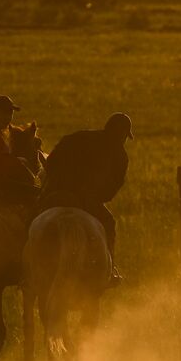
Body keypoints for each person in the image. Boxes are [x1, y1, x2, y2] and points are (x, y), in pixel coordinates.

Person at [42, 112, 132, 285]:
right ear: (123, 134)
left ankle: (23, 267)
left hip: (57, 193)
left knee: (32, 216)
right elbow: (110, 191)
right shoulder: (120, 155)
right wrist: (92, 197)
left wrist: (56, 185)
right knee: (109, 224)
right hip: (86, 200)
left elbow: (51, 161)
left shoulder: (79, 136)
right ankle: (109, 270)